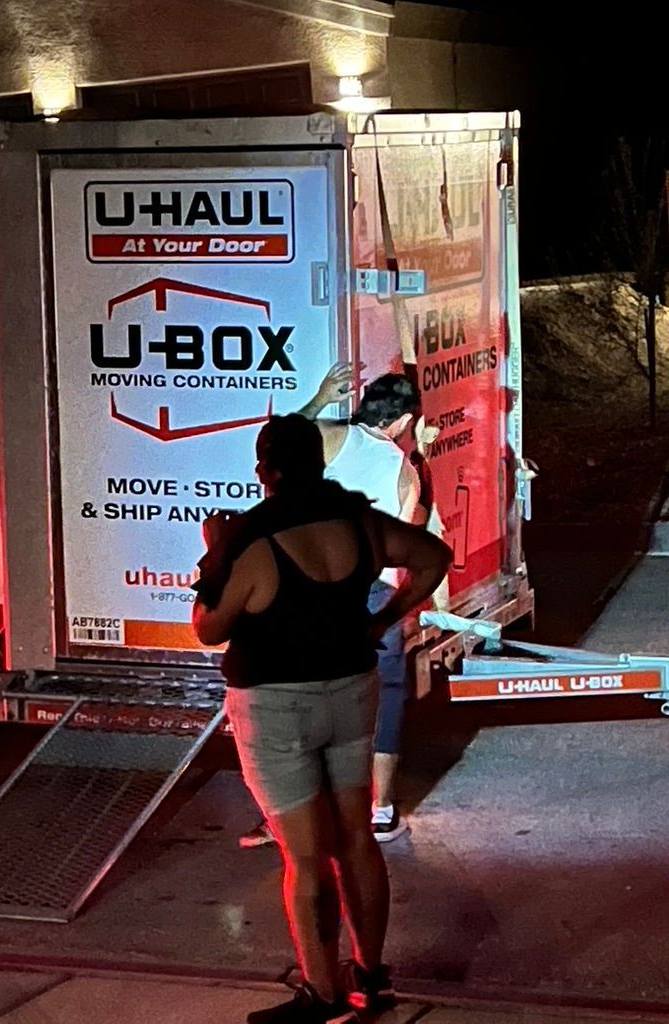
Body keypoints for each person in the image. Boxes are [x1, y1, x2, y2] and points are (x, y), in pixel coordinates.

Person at [192, 414, 451, 1024]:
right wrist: (385, 620)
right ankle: (369, 976)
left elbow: (209, 628)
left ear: (267, 473)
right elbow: (434, 557)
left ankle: (322, 995)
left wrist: (214, 555)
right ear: (320, 463)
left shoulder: (251, 541)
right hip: (351, 691)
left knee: (306, 860)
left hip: (277, 707)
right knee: (357, 838)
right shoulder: (357, 521)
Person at [241, 364, 432, 847]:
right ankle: (380, 812)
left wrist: (321, 398)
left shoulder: (329, 437)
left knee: (303, 701)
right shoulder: (405, 472)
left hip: (307, 590)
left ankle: (288, 814)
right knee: (379, 702)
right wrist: (391, 614)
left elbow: (278, 441)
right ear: (406, 423)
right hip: (370, 594)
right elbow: (415, 544)